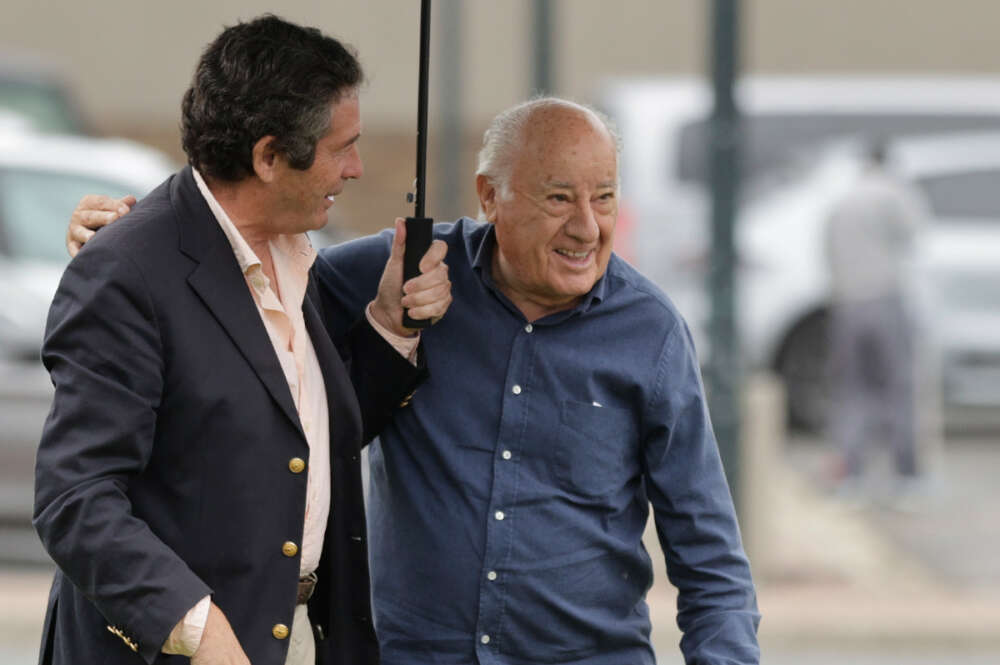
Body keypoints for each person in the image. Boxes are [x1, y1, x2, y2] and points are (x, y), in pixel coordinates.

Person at [69, 98, 760, 664]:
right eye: (559, 198)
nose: (587, 227)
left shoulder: (651, 333)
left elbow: (710, 557)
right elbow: (245, 280)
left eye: (604, 198)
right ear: (490, 196)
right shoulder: (406, 267)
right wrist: (132, 245)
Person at [35, 15, 451, 665]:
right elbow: (74, 499)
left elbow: (292, 437)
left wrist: (391, 326)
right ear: (268, 157)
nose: (357, 168)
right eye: (342, 148)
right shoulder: (125, 272)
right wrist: (199, 630)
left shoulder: (293, 252)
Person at [823, 140, 926, 492]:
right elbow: (913, 235)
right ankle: (905, 473)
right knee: (897, 386)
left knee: (852, 388)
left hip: (846, 302)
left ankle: (852, 472)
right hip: (883, 296)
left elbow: (828, 250)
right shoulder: (892, 193)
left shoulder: (843, 200)